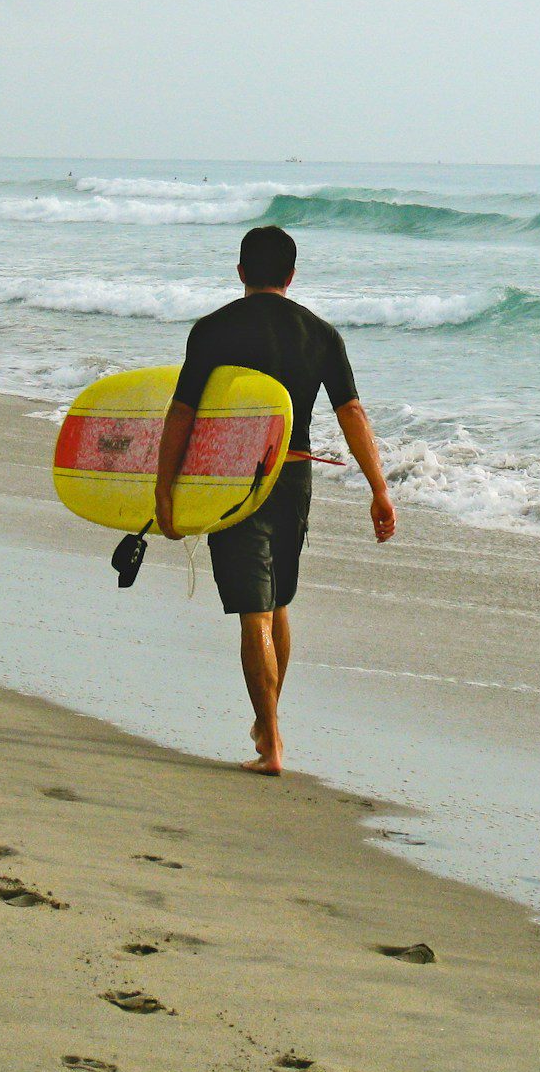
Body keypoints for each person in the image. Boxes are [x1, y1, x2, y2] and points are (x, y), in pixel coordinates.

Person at [153, 225, 395, 776]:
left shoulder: (212, 331)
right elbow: (351, 413)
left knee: (254, 614)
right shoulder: (321, 334)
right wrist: (380, 489)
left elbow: (183, 414)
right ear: (291, 275)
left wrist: (164, 489)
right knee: (279, 603)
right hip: (293, 479)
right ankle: (269, 724)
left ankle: (272, 743)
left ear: (240, 272)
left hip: (234, 482)